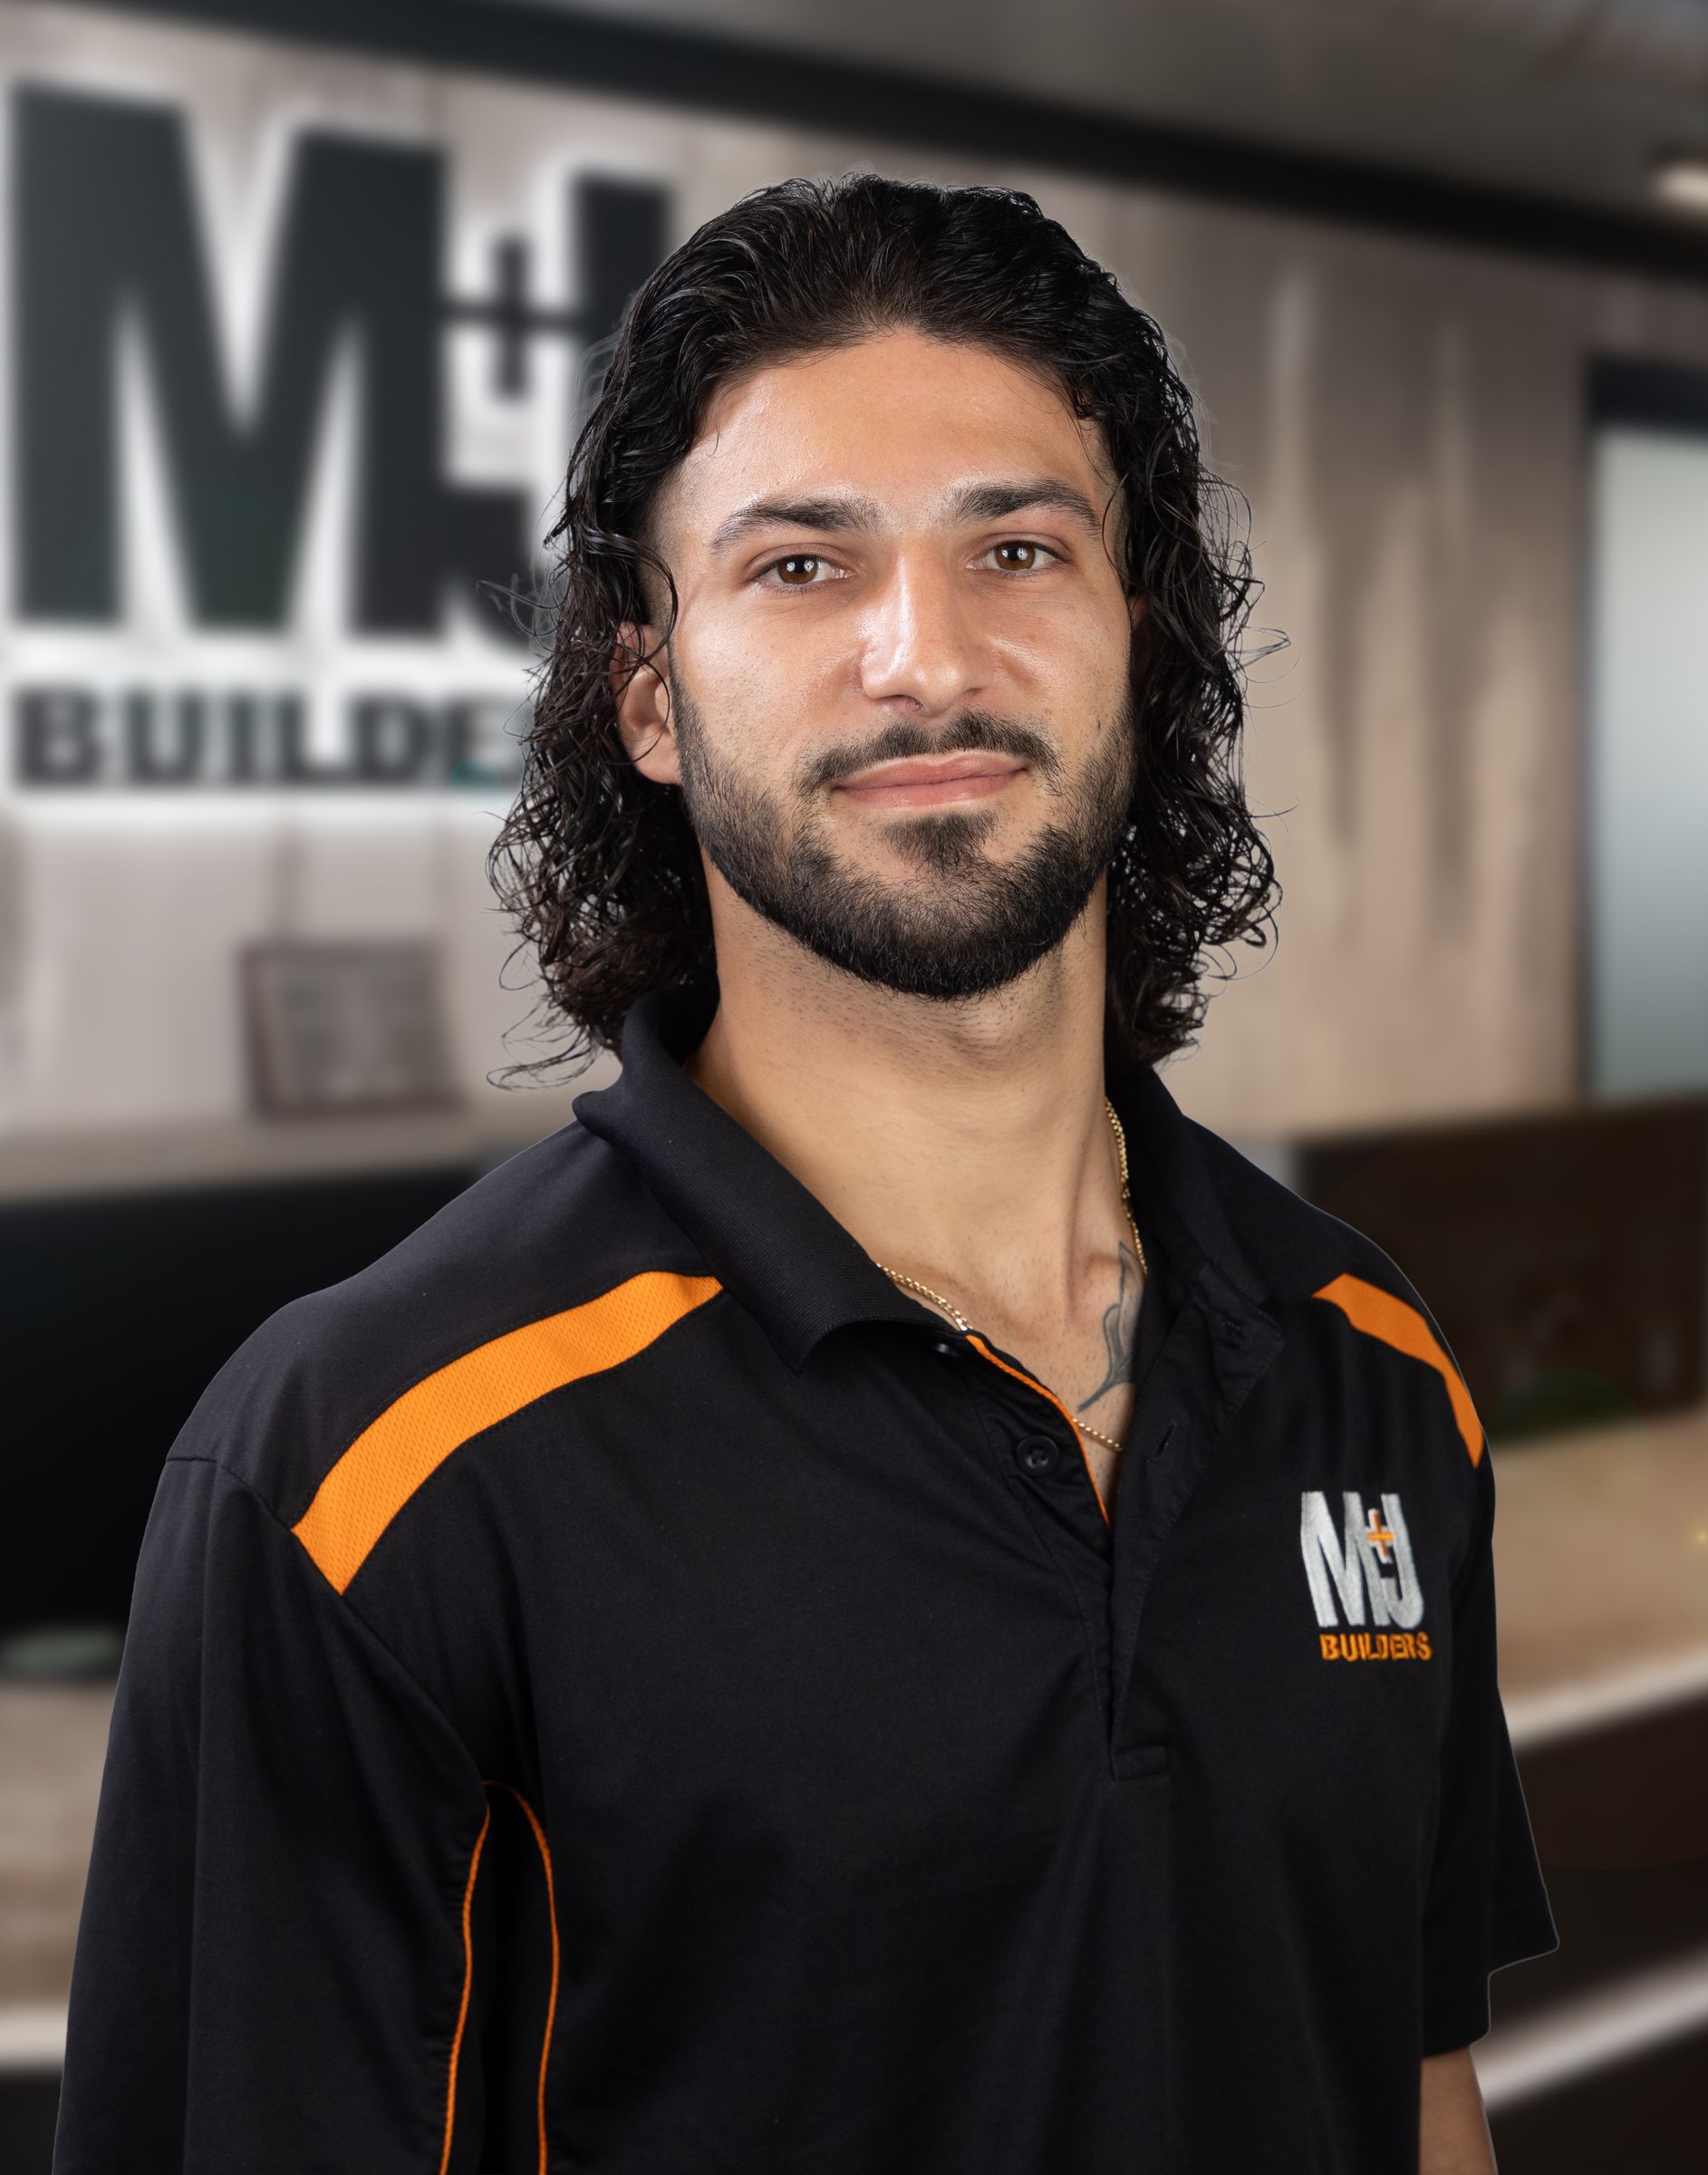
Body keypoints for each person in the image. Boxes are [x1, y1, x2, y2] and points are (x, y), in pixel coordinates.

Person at [53, 173, 1556, 2174]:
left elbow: (1408, 2080)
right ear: (647, 694)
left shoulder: (1372, 1366)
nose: (924, 658)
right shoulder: (366, 1474)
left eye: (1017, 546)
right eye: (799, 568)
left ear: (1140, 635)